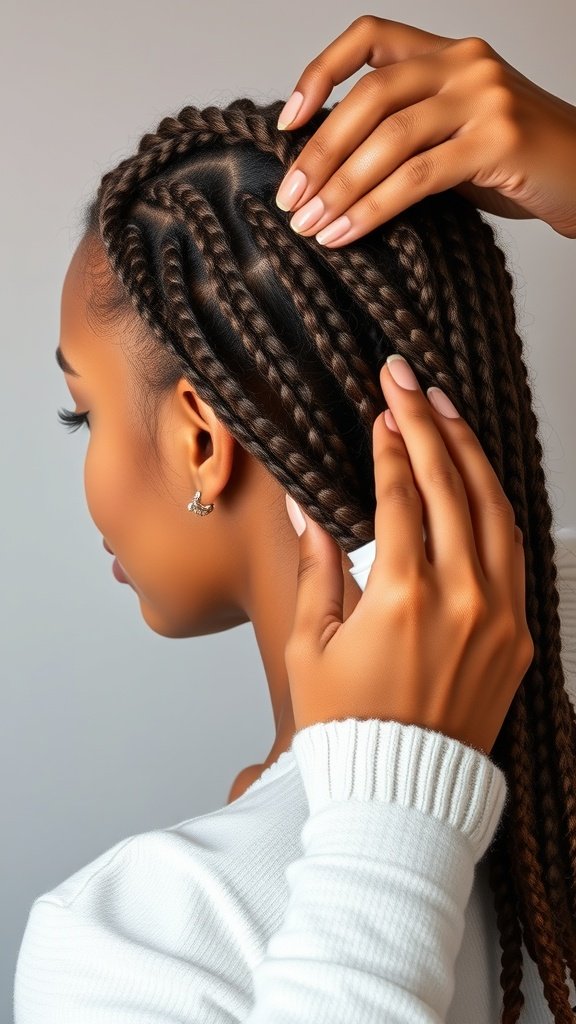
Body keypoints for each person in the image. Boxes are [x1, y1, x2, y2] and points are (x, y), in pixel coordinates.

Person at [13, 18, 576, 1024]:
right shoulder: (553, 699)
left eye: (84, 410)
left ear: (200, 440)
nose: (88, 460)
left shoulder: (133, 944)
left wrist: (388, 838)